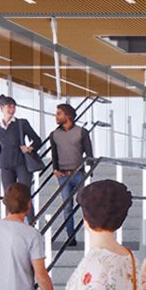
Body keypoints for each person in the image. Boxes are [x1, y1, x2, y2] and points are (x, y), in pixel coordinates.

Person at [48, 103, 91, 245]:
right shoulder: (54, 135)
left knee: (86, 205)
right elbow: (54, 154)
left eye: (59, 113)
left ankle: (92, 237)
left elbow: (89, 154)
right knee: (67, 207)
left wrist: (89, 172)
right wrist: (55, 169)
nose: (56, 116)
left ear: (68, 116)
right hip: (63, 176)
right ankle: (70, 238)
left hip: (79, 174)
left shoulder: (82, 132)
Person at [0, 95, 42, 199]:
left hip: (22, 164)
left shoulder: (21, 123)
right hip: (5, 166)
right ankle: (11, 216)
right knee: (9, 198)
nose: (12, 109)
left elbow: (37, 140)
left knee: (24, 196)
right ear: (1, 108)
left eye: (14, 107)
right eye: (9, 107)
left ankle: (31, 216)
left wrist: (29, 148)